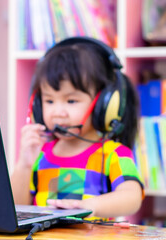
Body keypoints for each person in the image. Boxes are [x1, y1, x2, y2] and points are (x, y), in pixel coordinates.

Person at [10, 37, 144, 219]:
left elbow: (132, 197)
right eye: (49, 100)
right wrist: (24, 165)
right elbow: (16, 207)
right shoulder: (39, 154)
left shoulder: (113, 154)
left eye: (71, 100)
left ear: (104, 105)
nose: (58, 112)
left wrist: (92, 206)